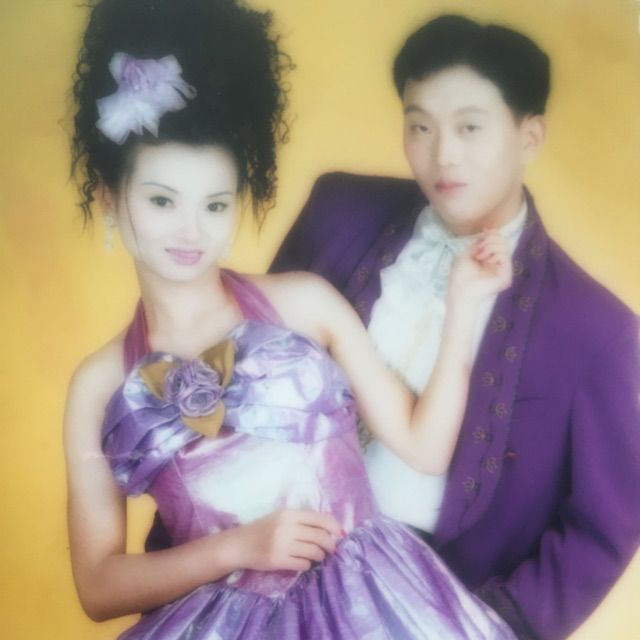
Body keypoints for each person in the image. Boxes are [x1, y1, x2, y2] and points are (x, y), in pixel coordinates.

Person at [64, 1, 518, 638]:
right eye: (163, 201)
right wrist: (237, 548)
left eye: (215, 204)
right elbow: (98, 586)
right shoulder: (98, 384)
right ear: (111, 199)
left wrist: (465, 303)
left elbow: (424, 444)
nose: (191, 230)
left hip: (377, 604)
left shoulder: (304, 302)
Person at [268, 14, 640, 640]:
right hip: (270, 565)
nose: (442, 154)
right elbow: (245, 371)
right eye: (420, 126)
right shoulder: (337, 211)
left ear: (530, 137)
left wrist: (487, 624)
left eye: (470, 127)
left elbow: (602, 527)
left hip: (431, 609)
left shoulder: (596, 330)